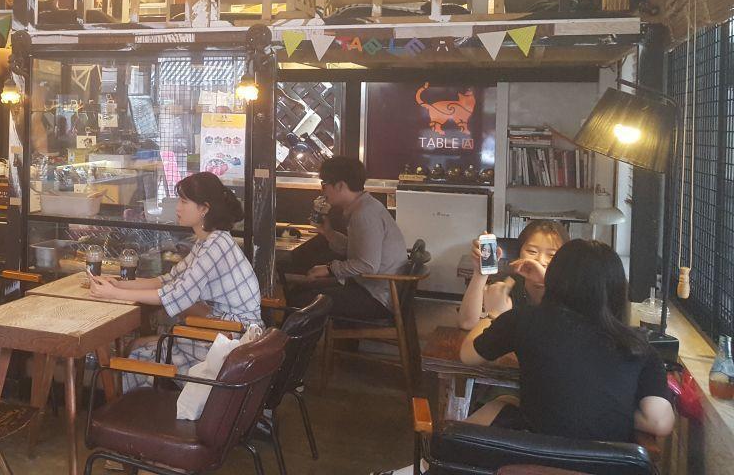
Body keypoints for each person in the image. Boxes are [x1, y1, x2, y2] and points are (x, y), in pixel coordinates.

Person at [460, 239, 675, 443]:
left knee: (500, 407)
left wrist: (494, 313)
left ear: (554, 278)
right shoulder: (639, 346)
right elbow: (659, 422)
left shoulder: (525, 320)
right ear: (618, 289)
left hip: (535, 461)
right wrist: (610, 408)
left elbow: (467, 355)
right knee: (504, 404)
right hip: (609, 465)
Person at [88, 172, 262, 389]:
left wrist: (114, 294)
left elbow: (175, 295)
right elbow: (167, 280)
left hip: (231, 343)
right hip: (225, 333)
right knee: (136, 345)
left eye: (183, 201)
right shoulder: (209, 241)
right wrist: (117, 284)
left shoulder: (215, 246)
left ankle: (134, 414)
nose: (177, 208)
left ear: (204, 208)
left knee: (135, 353)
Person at [285, 156, 408, 319]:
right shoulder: (364, 207)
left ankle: (289, 344)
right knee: (302, 291)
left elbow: (367, 265)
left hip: (377, 297)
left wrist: (329, 269)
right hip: (374, 288)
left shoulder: (364, 214)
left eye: (324, 184)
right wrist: (328, 232)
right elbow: (355, 249)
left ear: (340, 185)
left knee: (301, 300)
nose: (322, 190)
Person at [458, 220, 567, 330]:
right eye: (532, 251)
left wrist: (546, 282)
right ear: (519, 253)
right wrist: (480, 274)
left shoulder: (570, 294)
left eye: (552, 255)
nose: (540, 261)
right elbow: (467, 323)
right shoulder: (507, 284)